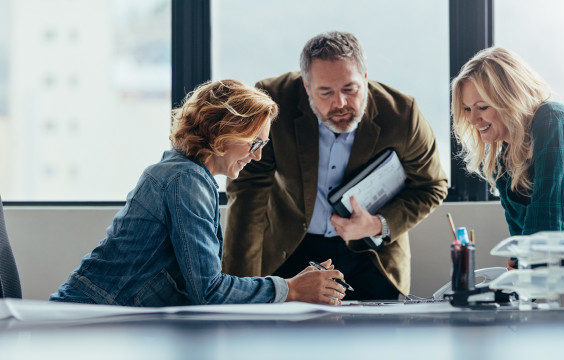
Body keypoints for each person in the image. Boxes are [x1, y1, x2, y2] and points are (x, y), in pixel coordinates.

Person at [50, 79, 347, 306]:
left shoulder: (185, 173)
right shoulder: (186, 181)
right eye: (254, 143)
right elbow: (209, 290)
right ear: (223, 131)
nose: (257, 156)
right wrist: (291, 289)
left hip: (103, 316)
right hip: (87, 318)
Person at [223, 31, 448, 300]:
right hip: (291, 247)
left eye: (350, 89)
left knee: (374, 339)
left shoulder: (402, 114)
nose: (340, 103)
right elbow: (248, 191)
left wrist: (377, 225)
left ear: (365, 79)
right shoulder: (274, 101)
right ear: (306, 87)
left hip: (370, 256)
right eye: (326, 92)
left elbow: (432, 185)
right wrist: (240, 288)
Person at [451, 46, 564, 306]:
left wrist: (521, 270)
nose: (473, 119)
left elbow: (547, 214)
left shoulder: (553, 119)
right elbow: (522, 242)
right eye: (466, 109)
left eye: (482, 107)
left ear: (509, 98)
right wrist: (513, 275)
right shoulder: (500, 165)